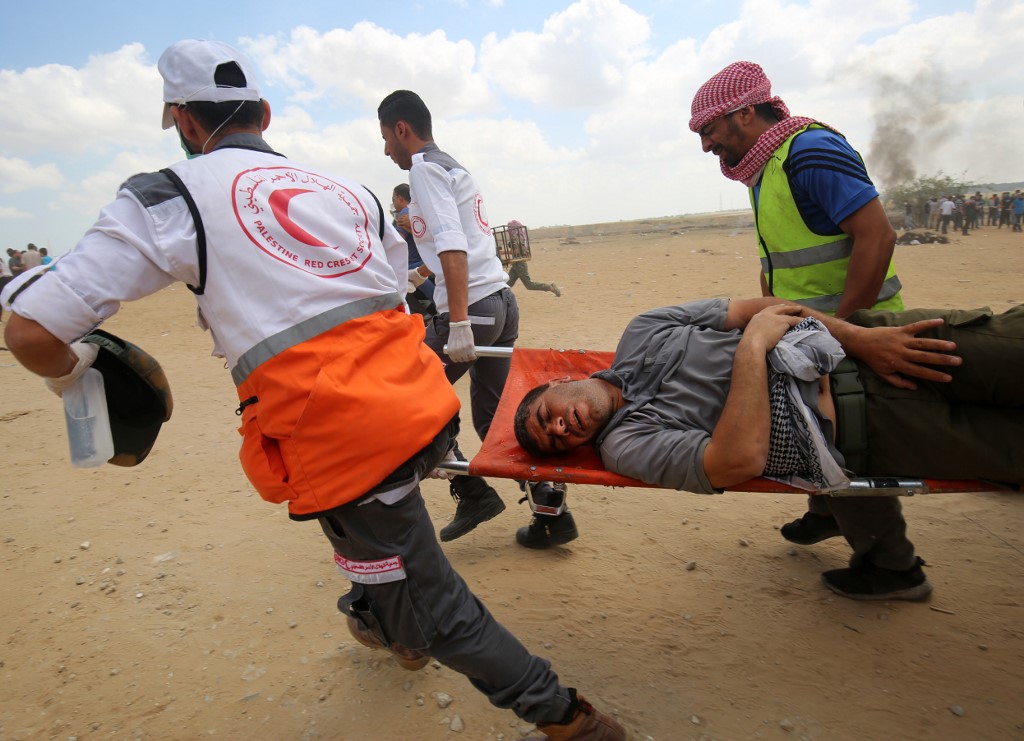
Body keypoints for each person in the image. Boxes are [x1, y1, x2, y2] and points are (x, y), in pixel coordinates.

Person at [1, 41, 621, 740]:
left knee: (438, 606)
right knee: (369, 536)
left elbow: (30, 330)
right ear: (264, 114)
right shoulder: (352, 193)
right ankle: (388, 617)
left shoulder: (169, 196)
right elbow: (393, 287)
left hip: (346, 440)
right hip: (420, 406)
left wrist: (76, 375)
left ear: (184, 121)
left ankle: (565, 717)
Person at [514, 296, 1024, 601]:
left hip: (875, 345)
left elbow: (761, 309)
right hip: (881, 426)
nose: (559, 427)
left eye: (546, 416)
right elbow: (737, 460)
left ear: (558, 382)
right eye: (556, 441)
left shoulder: (645, 330)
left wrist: (860, 339)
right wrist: (753, 347)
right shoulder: (628, 445)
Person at [689, 60, 906, 549]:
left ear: (745, 113)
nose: (706, 145)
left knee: (847, 436)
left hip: (857, 326)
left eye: (709, 129)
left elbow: (877, 235)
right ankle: (825, 511)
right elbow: (780, 260)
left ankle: (890, 565)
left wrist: (845, 331)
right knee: (813, 424)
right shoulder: (766, 170)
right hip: (813, 332)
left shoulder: (809, 151)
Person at [378, 90, 577, 549]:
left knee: (400, 396)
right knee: (494, 420)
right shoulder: (454, 167)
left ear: (402, 129)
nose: (386, 149)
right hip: (500, 303)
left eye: (386, 137)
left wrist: (459, 322)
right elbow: (456, 244)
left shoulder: (423, 169)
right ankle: (551, 512)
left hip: (474, 308)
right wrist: (415, 279)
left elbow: (453, 245)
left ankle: (471, 492)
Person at [392, 182, 436, 319]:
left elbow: (396, 243)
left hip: (416, 262)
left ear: (400, 198)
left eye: (393, 199)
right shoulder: (419, 212)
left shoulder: (404, 213)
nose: (393, 203)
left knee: (398, 275)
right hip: (428, 258)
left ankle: (428, 310)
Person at [502, 220, 561, 297]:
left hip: (520, 264)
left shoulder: (516, 238)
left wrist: (503, 252)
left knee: (529, 285)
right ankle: (501, 299)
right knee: (507, 283)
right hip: (516, 263)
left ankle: (550, 288)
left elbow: (517, 251)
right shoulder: (520, 237)